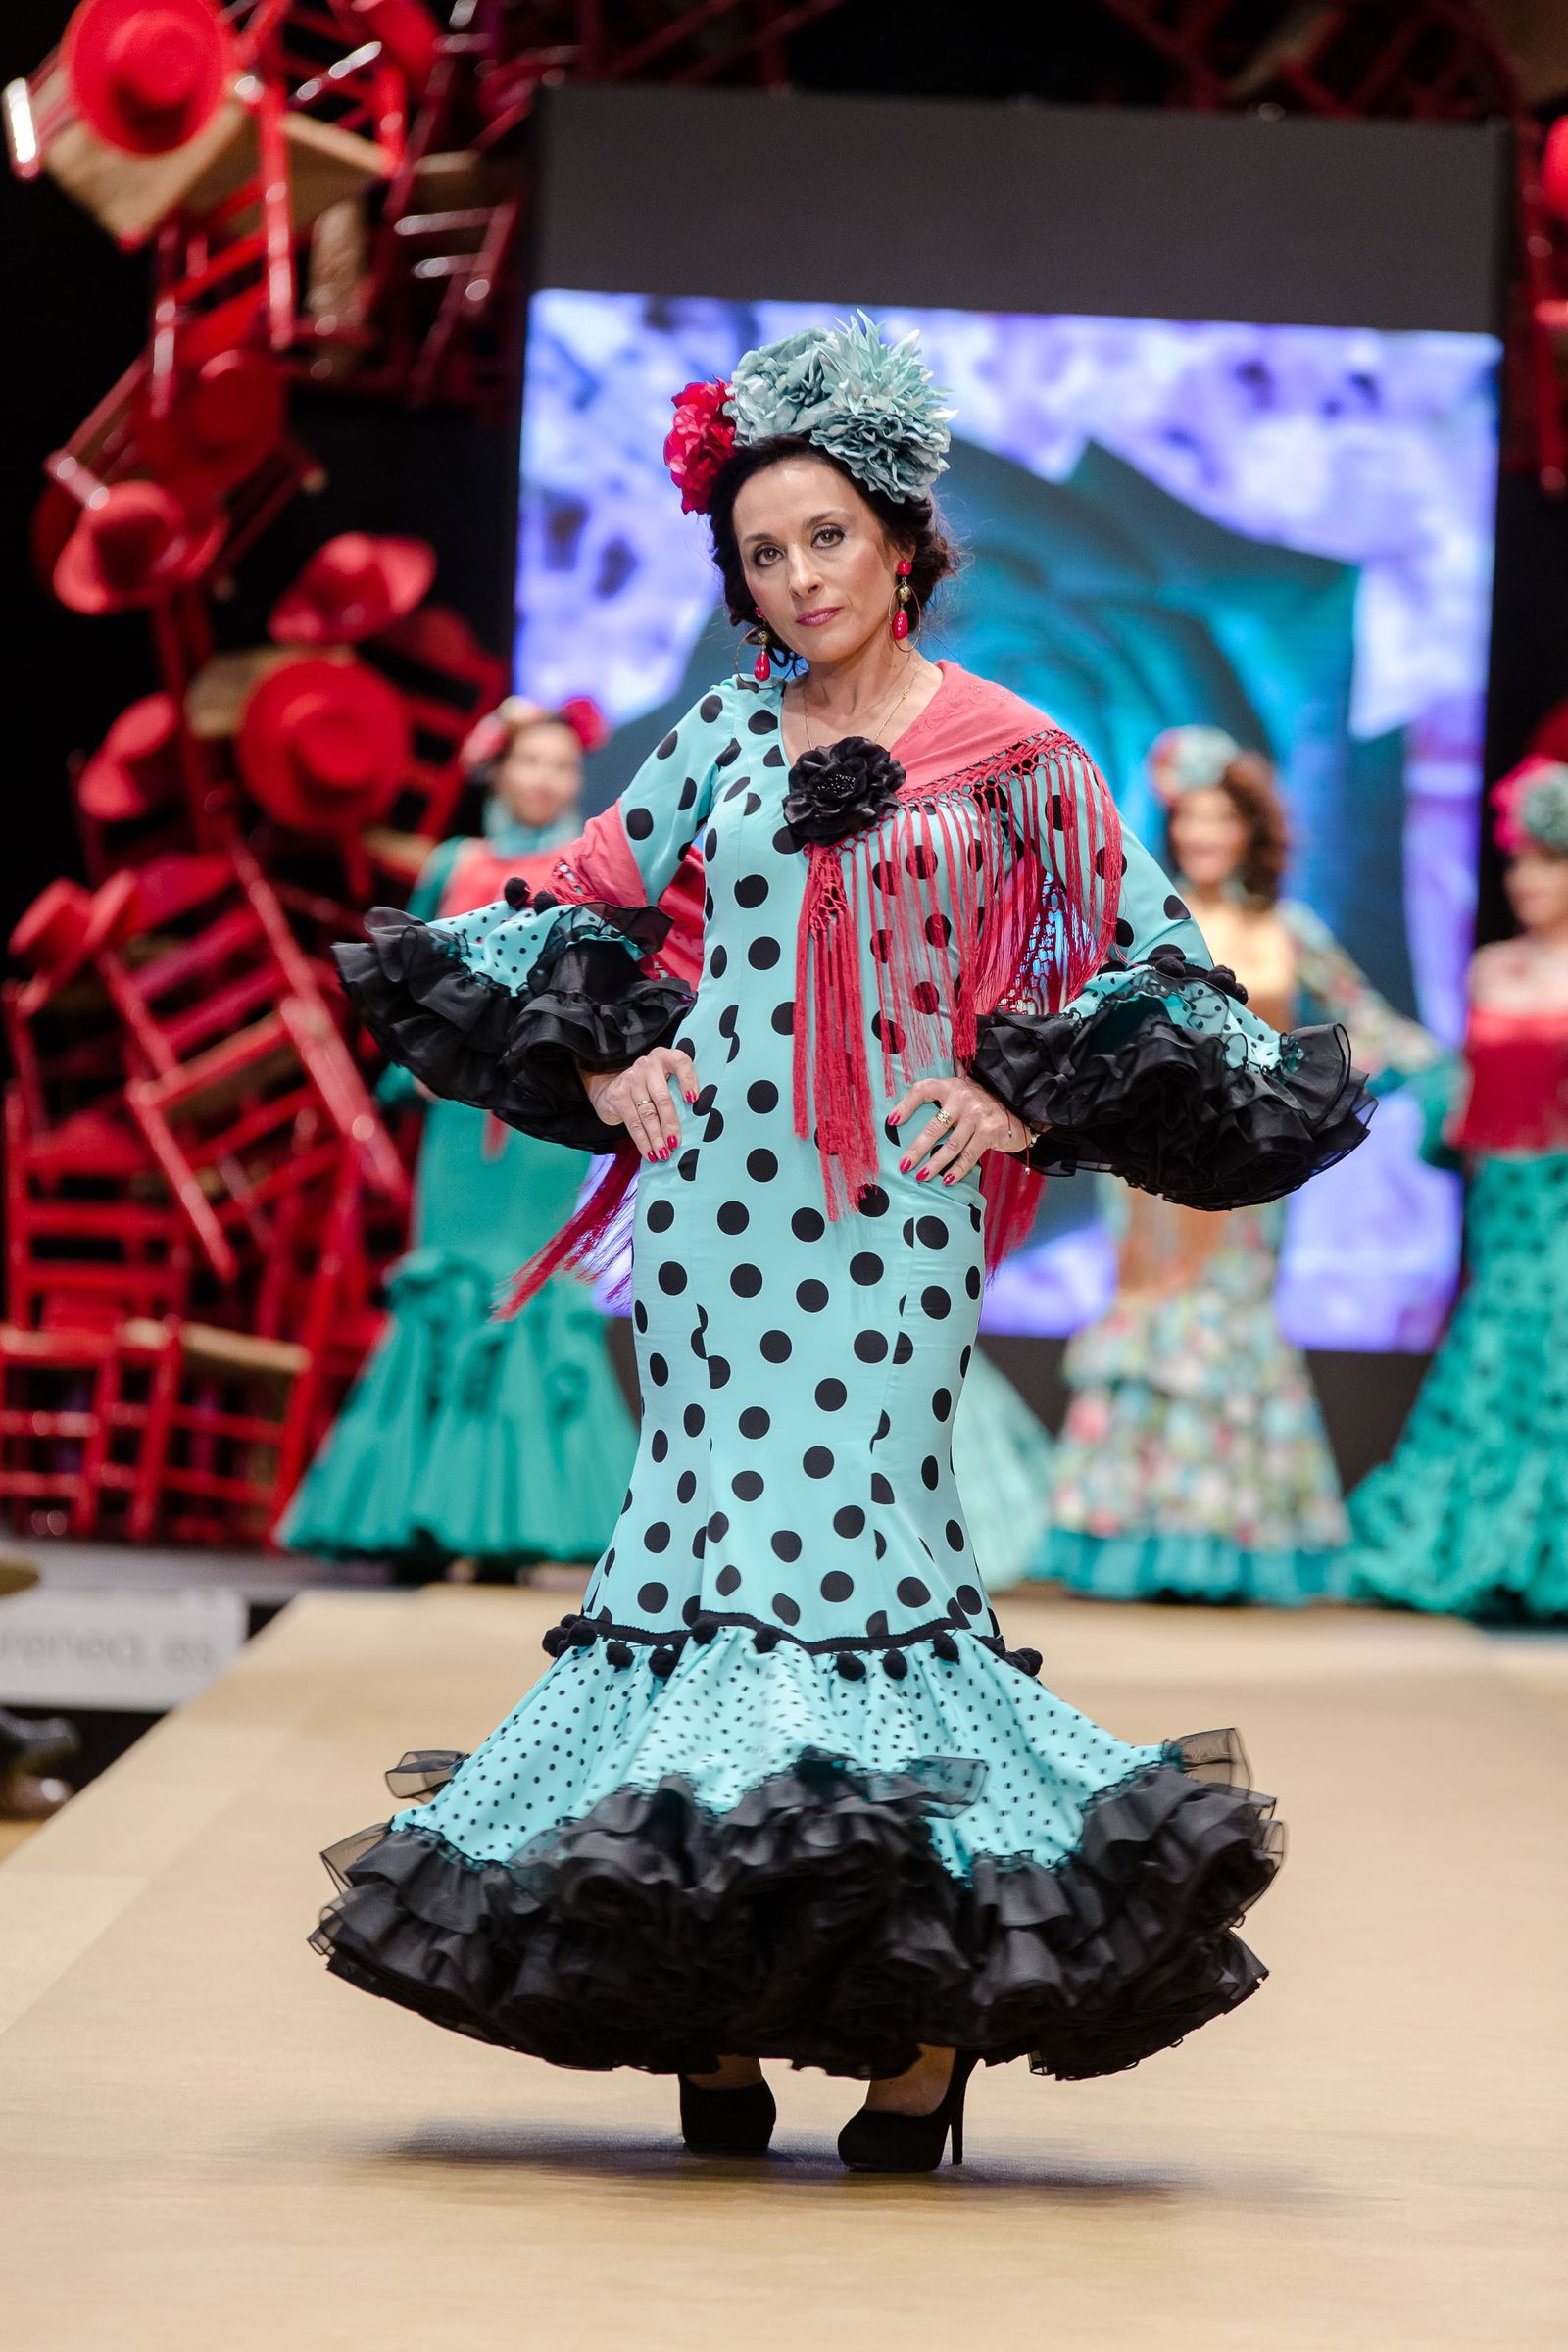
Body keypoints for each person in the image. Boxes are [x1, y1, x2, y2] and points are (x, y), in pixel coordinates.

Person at [312, 319, 1371, 2171]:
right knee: (702, 1568)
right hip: (717, 1227)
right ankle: (701, 2013)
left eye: (823, 538)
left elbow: (1152, 954)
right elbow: (557, 903)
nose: (796, 580)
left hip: (894, 1233)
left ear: (900, 535)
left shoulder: (1017, 752)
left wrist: (1031, 1102)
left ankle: (910, 2043)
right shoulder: (716, 734)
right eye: (761, 555)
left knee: (862, 1573)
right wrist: (618, 1049)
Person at [1034, 732, 1437, 1607]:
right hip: (1147, 1166)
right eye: (1190, 819)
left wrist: (1319, 1088)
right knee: (1146, 1318)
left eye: (1222, 818)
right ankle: (1129, 1530)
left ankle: (1236, 1536)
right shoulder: (1144, 924)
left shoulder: (1284, 931)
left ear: (1251, 830)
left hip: (1249, 1167)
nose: (1206, 836)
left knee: (1232, 1323)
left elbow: (1374, 1024)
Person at [281, 700, 637, 1578]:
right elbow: (406, 972)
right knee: (445, 1284)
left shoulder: (586, 864)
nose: (546, 779)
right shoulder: (455, 863)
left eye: (561, 765)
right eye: (531, 762)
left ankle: (514, 1526)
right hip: (456, 1109)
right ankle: (420, 1517)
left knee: (523, 1283)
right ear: (498, 772)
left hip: (543, 1111)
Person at [1347, 760, 1568, 1619]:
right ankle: (1487, 1549)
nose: (1528, 880)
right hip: (1504, 1213)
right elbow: (1469, 1105)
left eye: (1550, 862)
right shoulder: (1493, 971)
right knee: (1494, 1368)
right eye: (1521, 861)